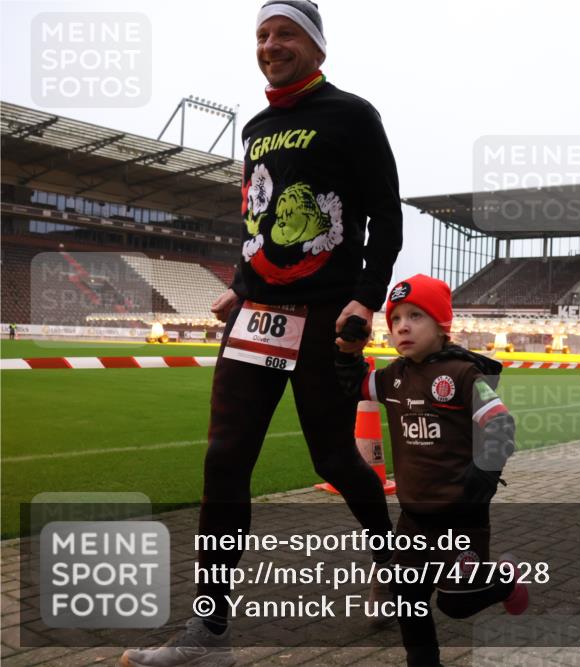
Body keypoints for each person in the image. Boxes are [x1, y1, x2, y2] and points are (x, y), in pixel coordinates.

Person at [121, 2, 403, 665]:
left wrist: (365, 300)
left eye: (285, 34)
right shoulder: (254, 128)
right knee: (224, 458)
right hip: (257, 315)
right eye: (262, 35)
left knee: (335, 460)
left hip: (325, 316)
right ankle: (211, 633)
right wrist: (240, 286)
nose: (270, 45)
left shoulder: (353, 116)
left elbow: (385, 219)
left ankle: (393, 564)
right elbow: (260, 215)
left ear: (317, 48)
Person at [336, 274, 528, 667]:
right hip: (412, 520)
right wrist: (347, 352)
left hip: (461, 518)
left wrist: (485, 473)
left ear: (441, 325)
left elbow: (501, 424)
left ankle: (505, 579)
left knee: (457, 603)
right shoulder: (393, 377)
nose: (403, 326)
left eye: (415, 316)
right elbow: (353, 385)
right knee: (409, 601)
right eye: (396, 320)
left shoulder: (462, 374)